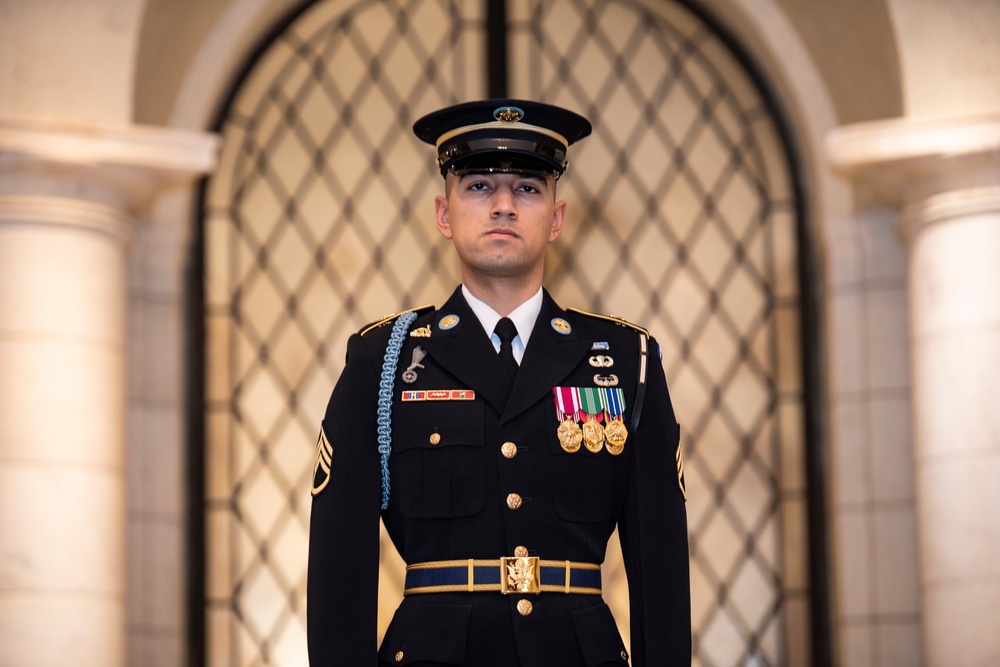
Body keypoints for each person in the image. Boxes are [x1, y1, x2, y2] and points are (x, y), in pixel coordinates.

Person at [307, 99, 690, 666]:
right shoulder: (384, 359)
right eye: (480, 186)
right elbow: (341, 568)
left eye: (529, 189)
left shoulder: (624, 358)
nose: (504, 206)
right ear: (444, 214)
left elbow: (660, 568)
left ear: (557, 219)